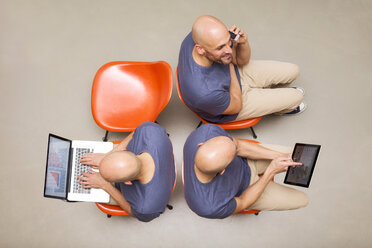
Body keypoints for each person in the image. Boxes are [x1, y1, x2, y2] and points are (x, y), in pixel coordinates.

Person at [177, 15, 306, 123]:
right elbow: (237, 105)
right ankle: (283, 108)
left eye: (228, 41)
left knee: (294, 70)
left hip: (231, 74)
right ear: (200, 49)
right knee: (297, 97)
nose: (228, 49)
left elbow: (241, 61)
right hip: (230, 100)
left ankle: (276, 98)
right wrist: (230, 65)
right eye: (220, 47)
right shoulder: (204, 94)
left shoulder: (200, 35)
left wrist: (243, 43)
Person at [183, 124, 308, 219]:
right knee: (303, 200)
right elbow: (243, 202)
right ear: (222, 171)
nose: (235, 147)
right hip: (247, 188)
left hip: (247, 160)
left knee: (301, 155)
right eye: (233, 154)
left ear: (202, 144)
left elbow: (239, 146)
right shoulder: (209, 205)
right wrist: (270, 172)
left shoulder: (207, 132)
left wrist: (281, 156)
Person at [78, 121, 175, 222]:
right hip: (163, 163)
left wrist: (104, 185)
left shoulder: (145, 208)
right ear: (125, 151)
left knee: (89, 190)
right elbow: (136, 132)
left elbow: (132, 211)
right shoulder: (149, 130)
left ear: (127, 182)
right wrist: (107, 156)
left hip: (154, 191)